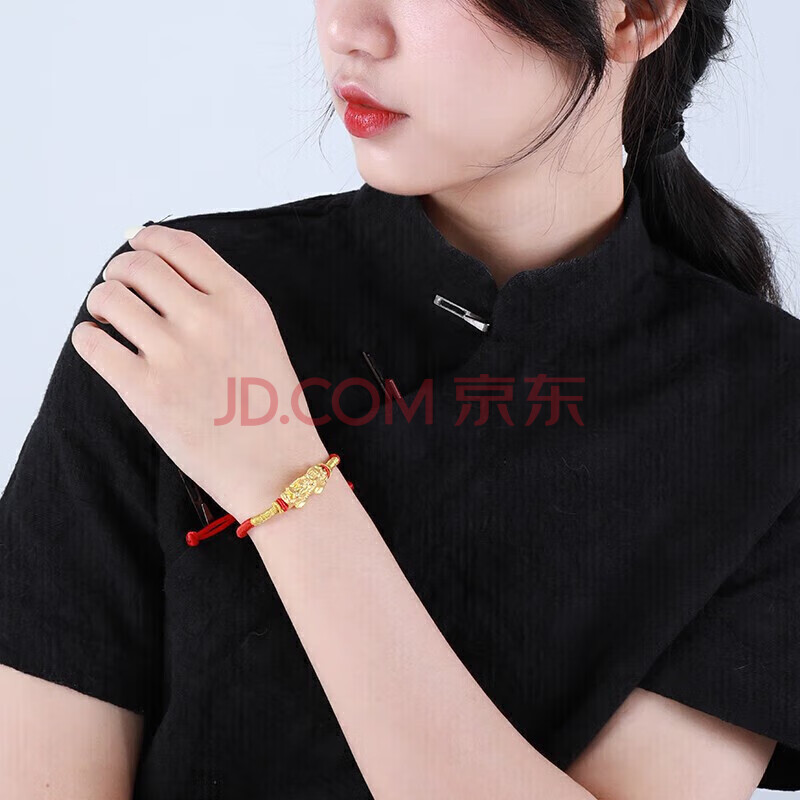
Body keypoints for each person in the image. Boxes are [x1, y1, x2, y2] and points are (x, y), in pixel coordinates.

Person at [1, 0, 798, 797]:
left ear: (637, 15)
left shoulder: (769, 410)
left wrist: (286, 484)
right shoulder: (183, 307)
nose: (347, 30)